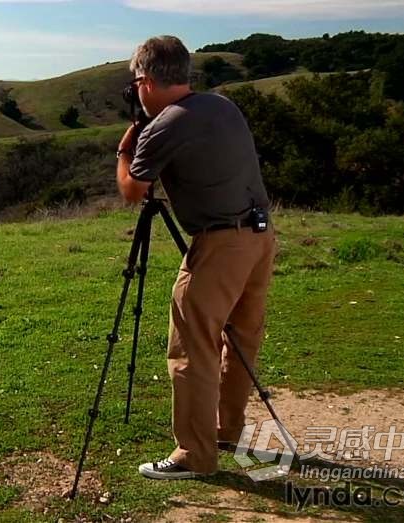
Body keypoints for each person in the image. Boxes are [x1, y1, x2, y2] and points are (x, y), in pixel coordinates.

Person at [115, 35, 277, 480]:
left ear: (145, 81)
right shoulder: (222, 105)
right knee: (241, 337)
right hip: (261, 235)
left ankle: (194, 455)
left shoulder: (165, 126)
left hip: (221, 242)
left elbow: (134, 191)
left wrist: (125, 149)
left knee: (192, 347)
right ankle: (227, 429)